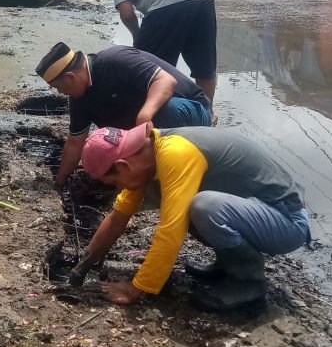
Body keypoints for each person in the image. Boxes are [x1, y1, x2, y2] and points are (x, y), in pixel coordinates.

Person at [66, 123, 311, 311]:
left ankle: (249, 282)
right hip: (258, 214)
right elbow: (118, 217)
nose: (118, 187)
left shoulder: (175, 153)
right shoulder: (147, 155)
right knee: (195, 207)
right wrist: (83, 266)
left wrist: (135, 290)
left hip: (287, 221)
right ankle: (227, 267)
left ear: (122, 165)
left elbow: (171, 230)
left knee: (202, 206)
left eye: (114, 181)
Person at [35, 42, 211, 190]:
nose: (61, 92)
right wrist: (59, 182)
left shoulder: (114, 60)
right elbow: (75, 142)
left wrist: (145, 114)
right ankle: (143, 171)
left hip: (191, 111)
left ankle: (169, 175)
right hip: (145, 131)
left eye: (59, 87)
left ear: (70, 76)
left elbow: (165, 81)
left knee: (166, 109)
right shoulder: (78, 98)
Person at [103, 0, 218, 109]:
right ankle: (207, 113)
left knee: (147, 66)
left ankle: (152, 113)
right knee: (204, 65)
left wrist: (137, 38)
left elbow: (127, 14)